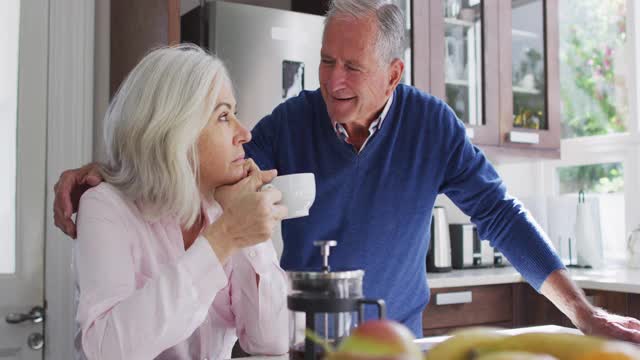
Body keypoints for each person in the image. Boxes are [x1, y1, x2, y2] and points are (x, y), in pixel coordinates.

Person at [55, 0, 640, 342]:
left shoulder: (432, 126)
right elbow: (195, 161)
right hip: (295, 344)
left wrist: (580, 311)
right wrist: (116, 171)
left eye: (353, 67)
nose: (333, 81)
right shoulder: (289, 123)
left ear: (394, 73)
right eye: (326, 61)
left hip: (392, 344)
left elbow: (500, 215)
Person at [72, 45, 289, 359]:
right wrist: (225, 237)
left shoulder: (222, 209)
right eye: (224, 116)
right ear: (175, 132)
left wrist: (248, 234)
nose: (244, 134)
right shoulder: (105, 208)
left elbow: (272, 341)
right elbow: (108, 351)